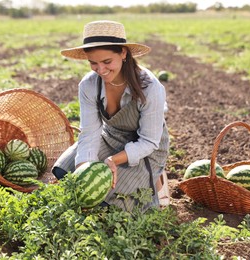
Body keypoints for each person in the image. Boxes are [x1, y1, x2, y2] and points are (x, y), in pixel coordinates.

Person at [52, 20, 170, 211]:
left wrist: (113, 161)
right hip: (110, 137)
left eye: (107, 62)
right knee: (64, 172)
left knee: (114, 204)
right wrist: (85, 170)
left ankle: (156, 178)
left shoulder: (150, 87)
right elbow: (90, 133)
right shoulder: (89, 85)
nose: (101, 70)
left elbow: (149, 141)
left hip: (145, 147)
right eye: (93, 63)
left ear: (123, 53)